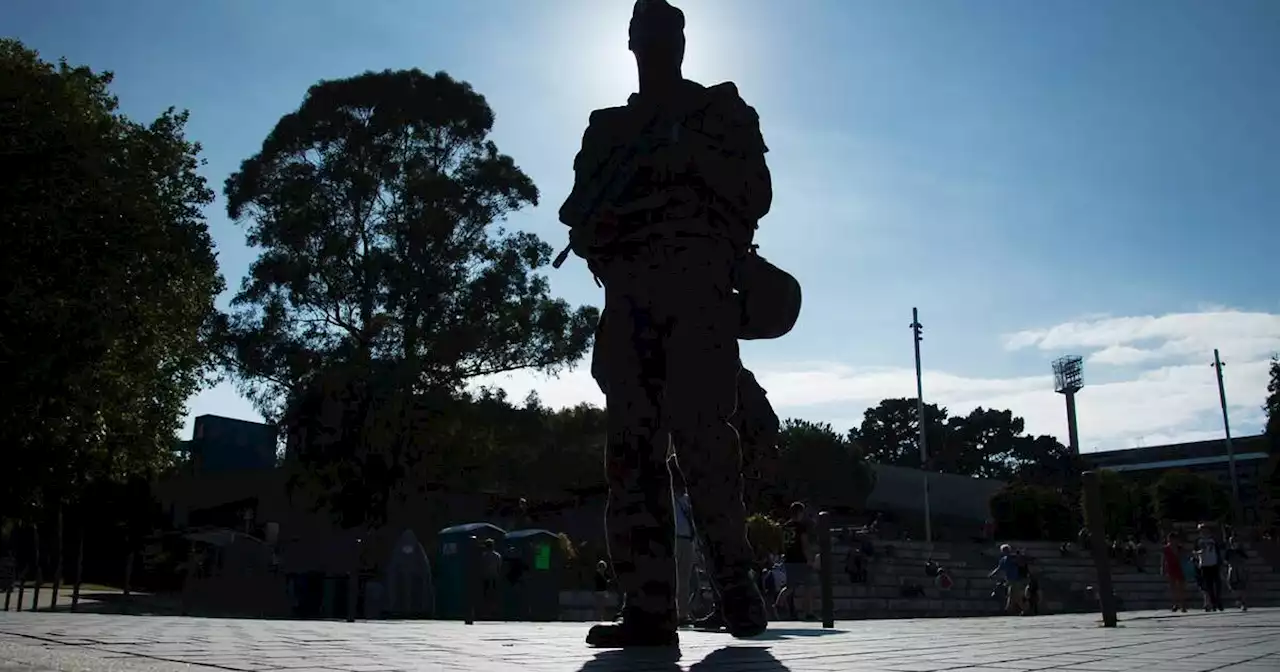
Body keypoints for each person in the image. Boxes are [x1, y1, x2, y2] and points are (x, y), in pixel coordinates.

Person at [561, 0, 777, 648]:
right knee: (632, 455)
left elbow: (757, 194)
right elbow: (579, 214)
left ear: (683, 41)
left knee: (708, 449)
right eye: (644, 35)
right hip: (630, 303)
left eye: (666, 33)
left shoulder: (720, 112)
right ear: (629, 43)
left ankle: (736, 587)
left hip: (700, 298)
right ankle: (647, 609)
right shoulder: (608, 129)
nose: (655, 45)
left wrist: (687, 159)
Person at [773, 502, 815, 620]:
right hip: (800, 559)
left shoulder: (785, 527)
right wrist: (810, 559)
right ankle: (809, 612)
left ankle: (778, 604)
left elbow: (782, 543)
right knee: (808, 586)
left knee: (790, 586)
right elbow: (804, 544)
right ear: (800, 512)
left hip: (789, 558)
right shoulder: (801, 527)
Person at [1193, 523, 1224, 612]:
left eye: (1206, 530)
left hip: (1214, 563)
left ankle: (1218, 600)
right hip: (1204, 564)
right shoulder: (1198, 541)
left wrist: (1220, 561)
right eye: (1202, 530)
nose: (1204, 532)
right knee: (1209, 585)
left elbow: (1218, 550)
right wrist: (1199, 552)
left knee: (1218, 583)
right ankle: (1213, 603)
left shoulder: (1213, 540)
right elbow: (1194, 552)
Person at [989, 544, 1024, 616]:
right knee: (1013, 595)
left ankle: (1010, 609)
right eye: (1004, 550)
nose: (1006, 551)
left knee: (1012, 594)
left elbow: (1020, 563)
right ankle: (1014, 609)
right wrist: (992, 574)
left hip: (1016, 579)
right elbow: (999, 568)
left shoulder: (1013, 557)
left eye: (1007, 550)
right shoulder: (1003, 559)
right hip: (1009, 579)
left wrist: (1018, 556)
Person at [1160, 533, 1188, 613]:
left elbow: (1184, 557)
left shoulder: (1180, 548)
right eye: (1170, 539)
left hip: (1179, 568)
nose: (1172, 541)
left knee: (1181, 588)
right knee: (1173, 588)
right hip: (1170, 568)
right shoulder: (1166, 549)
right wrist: (1162, 568)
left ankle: (1183, 605)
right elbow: (1163, 559)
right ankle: (1175, 604)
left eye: (1174, 539)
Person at [1225, 533, 1249, 611]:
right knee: (1232, 585)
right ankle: (1238, 599)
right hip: (1232, 569)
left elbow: (1245, 559)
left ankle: (1243, 602)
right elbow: (1226, 560)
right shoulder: (1229, 551)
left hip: (1240, 569)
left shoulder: (1240, 551)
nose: (1235, 544)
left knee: (1242, 586)